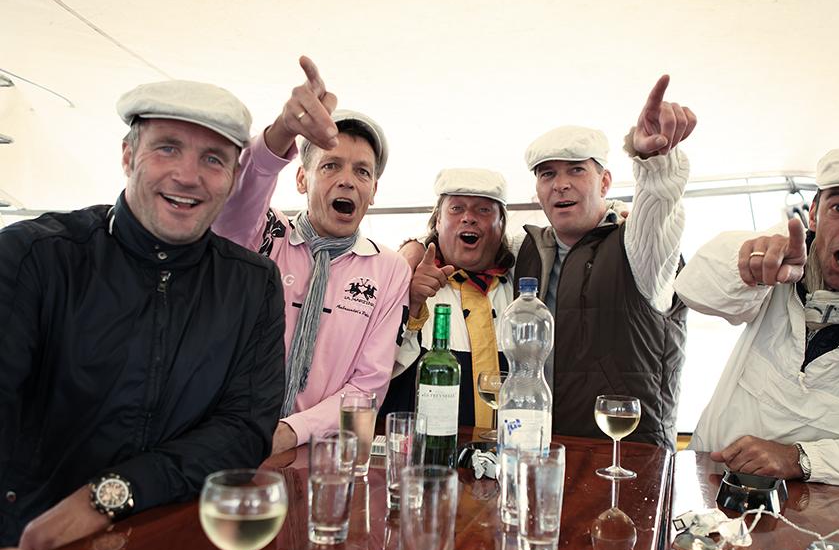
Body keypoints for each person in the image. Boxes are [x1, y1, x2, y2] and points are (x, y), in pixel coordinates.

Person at [0, 81, 286, 550]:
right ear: (128, 155)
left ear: (234, 177)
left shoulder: (253, 284)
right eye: (167, 148)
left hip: (174, 544)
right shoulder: (34, 257)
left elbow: (244, 429)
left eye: (213, 159)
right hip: (33, 548)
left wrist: (110, 494)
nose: (188, 176)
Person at [677, 147, 839, 486]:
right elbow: (692, 289)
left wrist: (801, 458)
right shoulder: (776, 253)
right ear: (814, 214)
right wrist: (744, 269)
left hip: (836, 508)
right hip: (713, 482)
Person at [213, 57, 411, 455]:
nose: (347, 181)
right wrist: (282, 132)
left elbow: (368, 387)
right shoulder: (266, 233)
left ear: (374, 191)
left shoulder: (389, 270)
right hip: (226, 439)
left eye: (362, 172)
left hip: (320, 454)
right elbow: (232, 210)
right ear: (302, 179)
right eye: (331, 165)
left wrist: (290, 431)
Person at [512, 76, 696, 450]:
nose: (560, 184)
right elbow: (470, 239)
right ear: (538, 191)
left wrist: (655, 162)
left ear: (605, 182)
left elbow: (658, 211)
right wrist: (417, 247)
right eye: (548, 173)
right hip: (540, 447)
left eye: (576, 170)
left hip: (626, 455)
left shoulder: (637, 247)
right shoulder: (527, 249)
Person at [381, 168, 514, 432]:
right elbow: (377, 369)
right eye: (456, 208)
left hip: (505, 449)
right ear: (437, 222)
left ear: (501, 226)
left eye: (483, 210)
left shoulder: (521, 283)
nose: (469, 218)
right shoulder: (405, 277)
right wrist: (412, 301)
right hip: (425, 451)